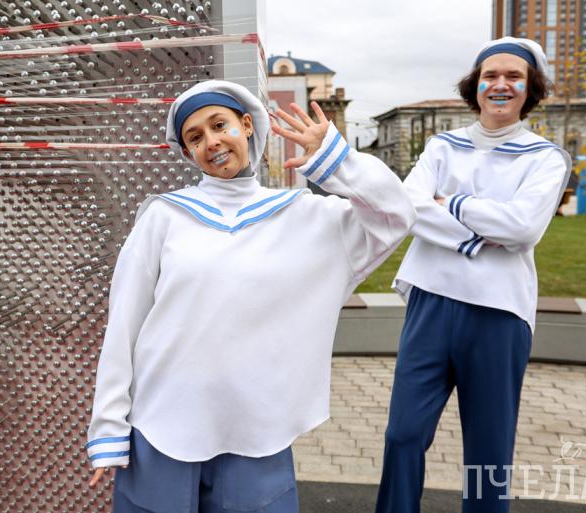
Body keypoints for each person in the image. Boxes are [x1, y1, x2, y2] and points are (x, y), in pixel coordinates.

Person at [86, 79, 416, 513]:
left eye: (219, 125)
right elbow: (124, 324)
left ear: (246, 125)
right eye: (195, 137)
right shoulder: (164, 216)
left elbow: (395, 216)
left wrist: (337, 159)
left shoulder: (304, 216)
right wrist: (109, 424)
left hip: (258, 430)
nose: (211, 142)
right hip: (161, 424)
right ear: (188, 153)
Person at [376, 38, 571, 513]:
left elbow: (523, 227)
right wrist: (482, 232)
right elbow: (410, 207)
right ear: (475, 84)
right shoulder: (442, 146)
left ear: (530, 88)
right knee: (403, 435)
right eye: (491, 75)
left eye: (513, 77)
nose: (500, 85)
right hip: (430, 302)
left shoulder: (546, 158)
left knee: (488, 449)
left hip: (498, 313)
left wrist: (454, 203)